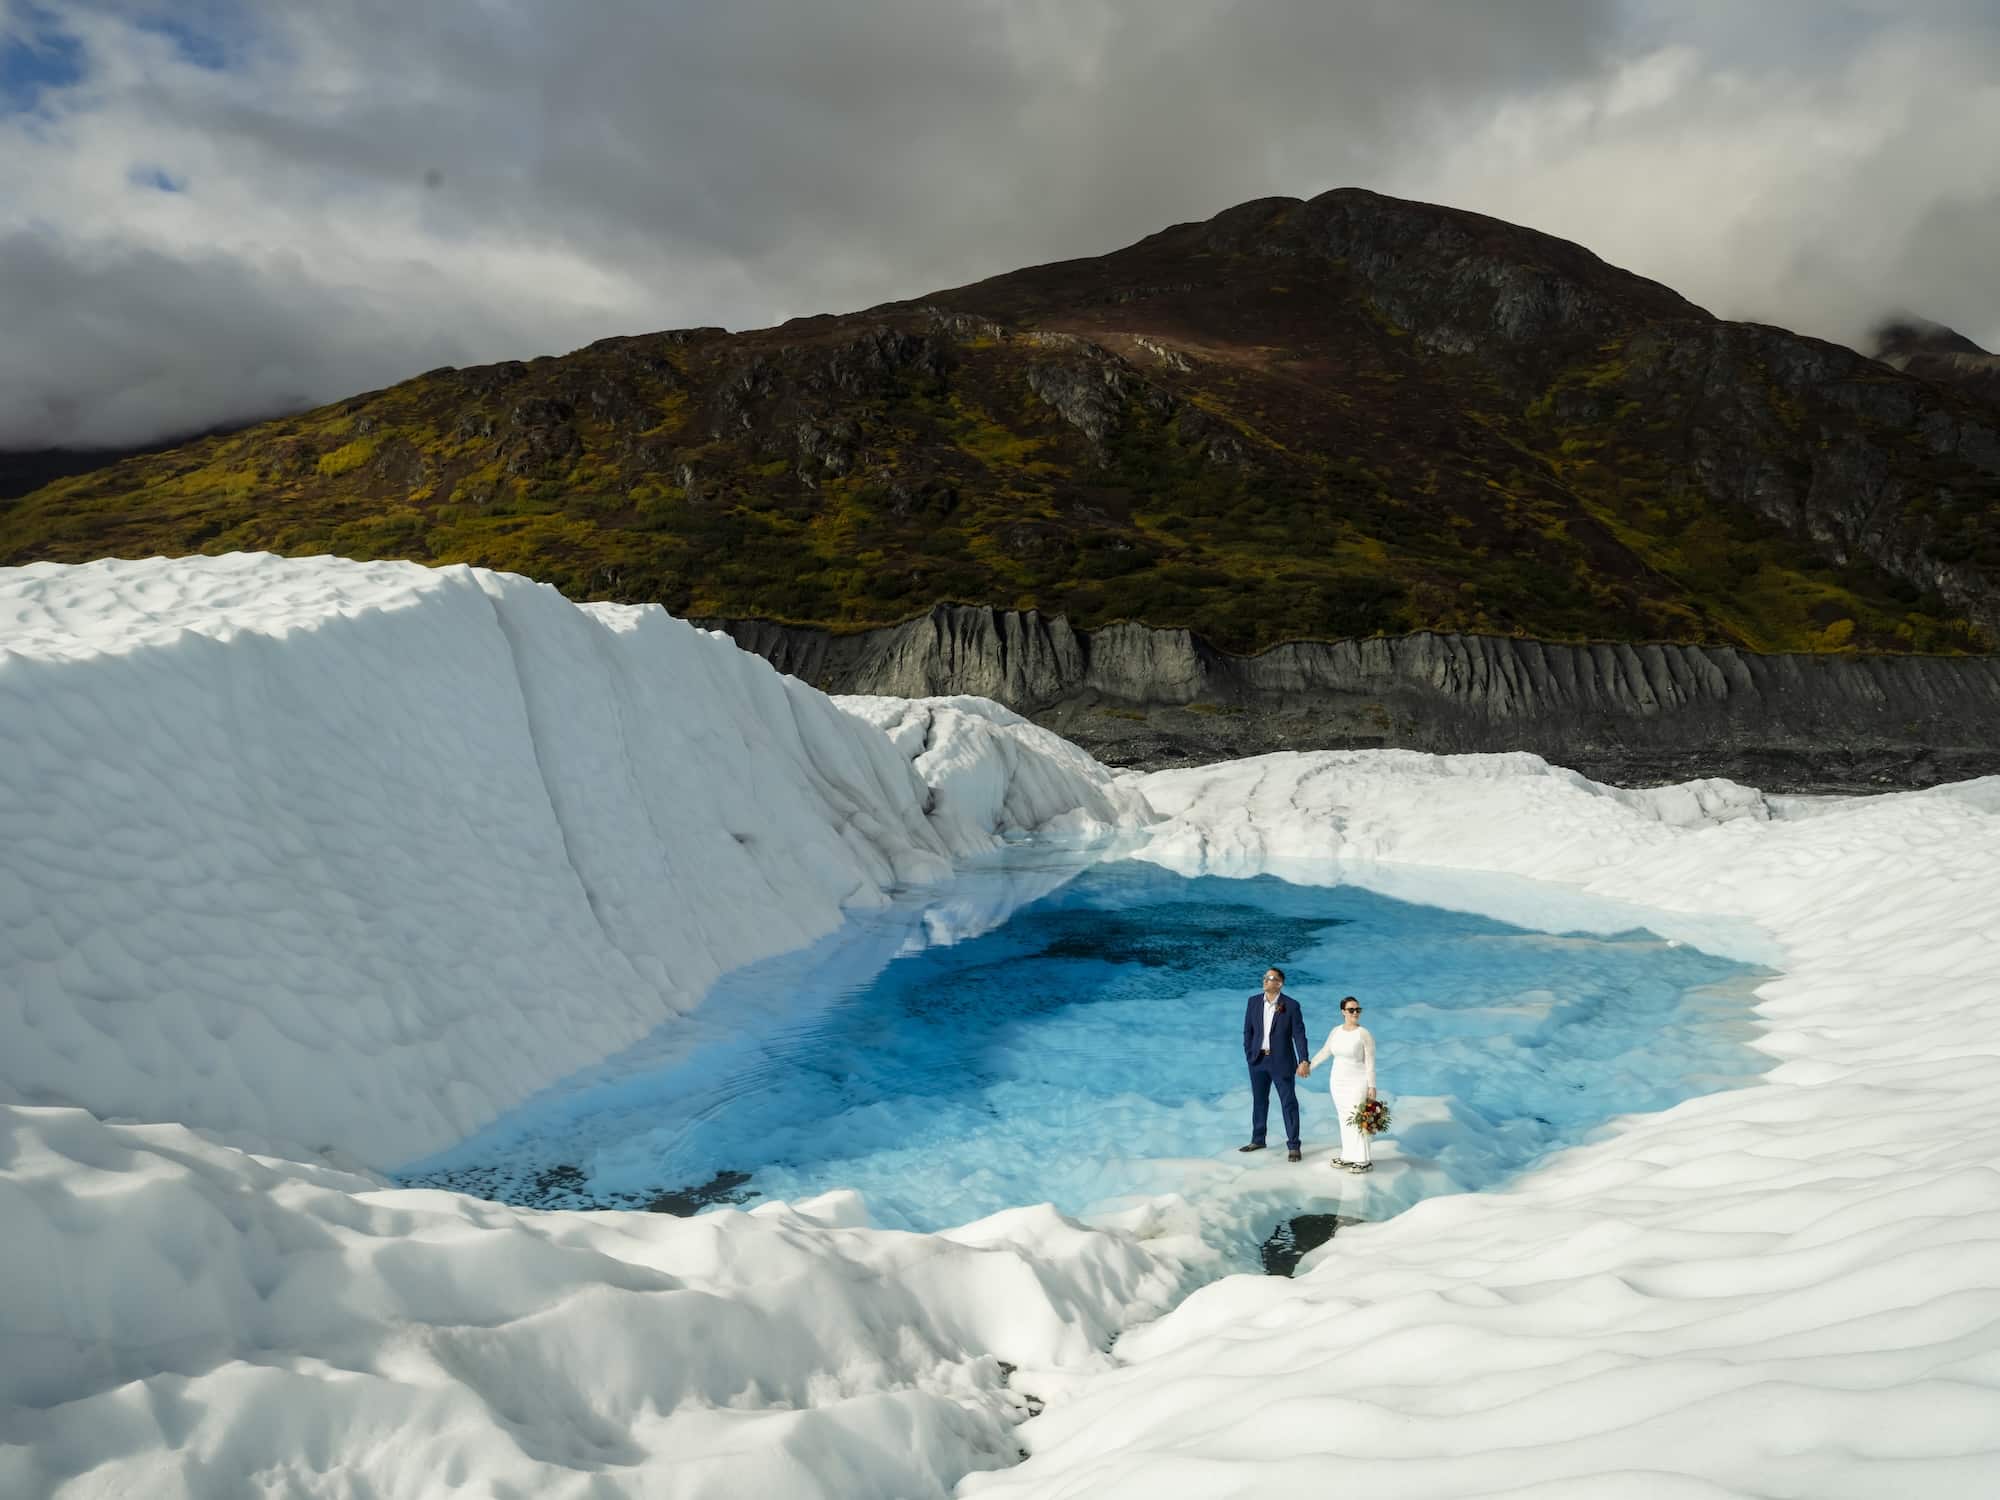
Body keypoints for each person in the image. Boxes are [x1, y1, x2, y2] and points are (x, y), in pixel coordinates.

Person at [1240, 965, 1310, 1162]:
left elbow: (1299, 1035)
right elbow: (1248, 1031)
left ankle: (1294, 1145)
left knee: (1288, 1102)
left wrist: (1304, 1059)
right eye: (1264, 977)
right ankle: (1258, 1139)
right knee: (1259, 1101)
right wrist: (1249, 1053)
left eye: (1270, 977)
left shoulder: (1291, 1005)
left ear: (1279, 983)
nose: (1265, 980)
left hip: (1281, 1062)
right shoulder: (1253, 1002)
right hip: (1258, 1060)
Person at [1309, 994, 1378, 1172]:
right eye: (1351, 1010)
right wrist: (1310, 1066)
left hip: (1357, 1081)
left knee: (1357, 1118)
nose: (1355, 1013)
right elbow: (1326, 1051)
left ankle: (1363, 1160)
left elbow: (1370, 1062)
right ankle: (1348, 1156)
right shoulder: (1336, 1031)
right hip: (1337, 1081)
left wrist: (1372, 1086)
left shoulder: (1364, 1034)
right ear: (1343, 1012)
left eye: (1358, 1010)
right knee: (1343, 1118)